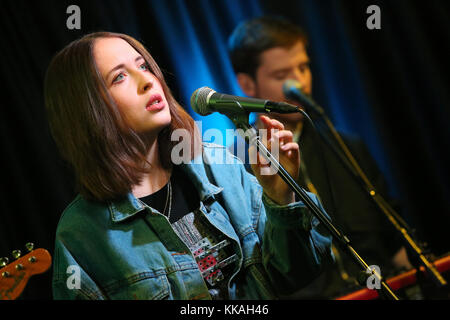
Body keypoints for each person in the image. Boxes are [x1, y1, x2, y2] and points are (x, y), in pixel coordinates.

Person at [44, 31, 333, 300]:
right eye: (119, 77)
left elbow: (299, 273)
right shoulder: (79, 234)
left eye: (143, 66)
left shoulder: (218, 166)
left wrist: (281, 199)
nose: (147, 81)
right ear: (86, 109)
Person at [227, 16, 412, 299]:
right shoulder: (236, 164)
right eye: (281, 75)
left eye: (303, 68)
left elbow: (392, 240)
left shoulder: (346, 145)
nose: (298, 83)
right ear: (247, 84)